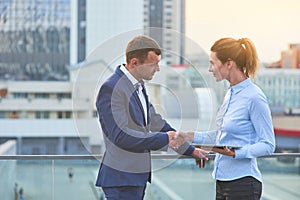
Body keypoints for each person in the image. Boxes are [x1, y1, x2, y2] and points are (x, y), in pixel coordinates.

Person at [95, 35, 208, 200]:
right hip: (121, 180)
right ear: (134, 63)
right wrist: (164, 139)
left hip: (135, 179)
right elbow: (121, 136)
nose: (157, 69)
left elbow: (157, 123)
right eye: (153, 64)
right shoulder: (111, 88)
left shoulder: (138, 86)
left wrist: (191, 150)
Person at [174, 37, 275, 200]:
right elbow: (221, 136)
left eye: (213, 63)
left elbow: (269, 144)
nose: (210, 69)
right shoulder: (230, 93)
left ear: (229, 63)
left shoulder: (254, 97)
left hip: (244, 184)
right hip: (222, 181)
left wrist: (237, 153)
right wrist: (189, 136)